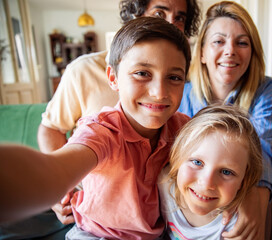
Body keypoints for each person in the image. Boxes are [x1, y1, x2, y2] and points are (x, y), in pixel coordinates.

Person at [0, 17, 191, 239]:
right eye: (142, 73)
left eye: (174, 77)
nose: (159, 92)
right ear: (113, 78)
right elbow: (56, 170)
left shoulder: (184, 128)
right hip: (94, 234)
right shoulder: (102, 129)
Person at [37, 0, 201, 226]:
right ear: (113, 77)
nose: (158, 92)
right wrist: (60, 184)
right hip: (99, 220)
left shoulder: (180, 115)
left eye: (180, 18)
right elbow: (55, 134)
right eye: (160, 13)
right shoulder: (84, 76)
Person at [178, 1, 272, 239]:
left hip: (246, 179)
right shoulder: (182, 92)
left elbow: (264, 147)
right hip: (198, 185)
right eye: (219, 41)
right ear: (201, 53)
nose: (230, 50)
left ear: (252, 53)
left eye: (242, 43)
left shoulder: (266, 90)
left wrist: (257, 194)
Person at [158, 104, 263, 239]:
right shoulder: (162, 183)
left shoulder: (239, 225)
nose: (207, 183)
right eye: (197, 162)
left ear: (244, 181)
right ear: (177, 157)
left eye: (226, 172)